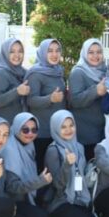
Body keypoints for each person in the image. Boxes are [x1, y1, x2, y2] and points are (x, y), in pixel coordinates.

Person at [0, 112, 54, 217]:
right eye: (25, 130)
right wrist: (39, 181)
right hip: (9, 202)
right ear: (16, 128)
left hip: (24, 197)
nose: (30, 134)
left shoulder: (28, 145)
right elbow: (12, 188)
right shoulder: (9, 150)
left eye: (34, 130)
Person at [44, 110, 100, 217]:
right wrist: (67, 165)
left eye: (71, 125)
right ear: (56, 128)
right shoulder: (53, 151)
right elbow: (57, 184)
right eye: (63, 127)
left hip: (79, 200)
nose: (68, 130)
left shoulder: (79, 147)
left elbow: (81, 175)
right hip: (61, 201)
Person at [24, 38, 67, 167]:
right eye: (50, 51)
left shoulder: (58, 71)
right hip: (42, 133)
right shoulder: (35, 73)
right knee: (43, 170)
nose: (54, 54)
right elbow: (30, 100)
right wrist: (50, 99)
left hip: (58, 131)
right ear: (43, 52)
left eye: (57, 50)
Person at [68, 38, 109, 160]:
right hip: (85, 134)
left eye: (99, 52)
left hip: (102, 131)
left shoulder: (105, 71)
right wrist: (96, 91)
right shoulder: (78, 72)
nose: (95, 56)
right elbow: (75, 101)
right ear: (84, 53)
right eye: (91, 52)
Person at [0, 38, 31, 123]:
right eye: (12, 52)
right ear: (5, 53)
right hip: (2, 125)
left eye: (20, 51)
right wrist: (17, 91)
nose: (17, 55)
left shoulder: (25, 73)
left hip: (20, 125)